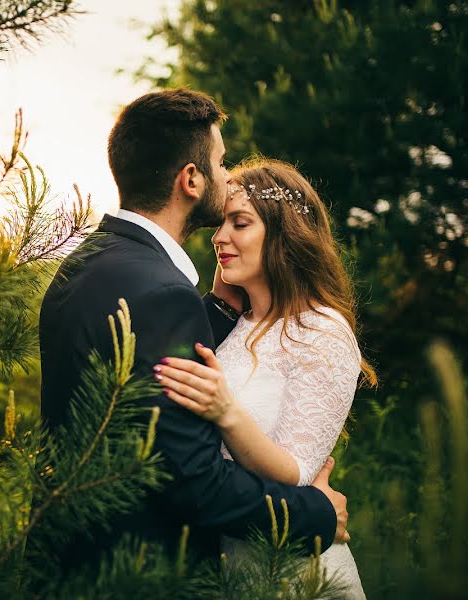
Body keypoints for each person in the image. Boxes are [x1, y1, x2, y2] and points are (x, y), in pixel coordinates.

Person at [38, 89, 349, 574]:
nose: (226, 179)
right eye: (221, 164)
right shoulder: (164, 294)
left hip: (69, 559)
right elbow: (195, 483)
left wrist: (222, 307)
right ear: (190, 179)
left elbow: (146, 373)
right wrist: (319, 515)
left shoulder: (84, 263)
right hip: (142, 568)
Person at [156, 157, 376, 598]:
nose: (219, 237)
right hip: (230, 564)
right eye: (221, 224)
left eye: (240, 223)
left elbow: (295, 476)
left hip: (299, 573)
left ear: (284, 233)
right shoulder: (238, 326)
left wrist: (226, 411)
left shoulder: (321, 331)